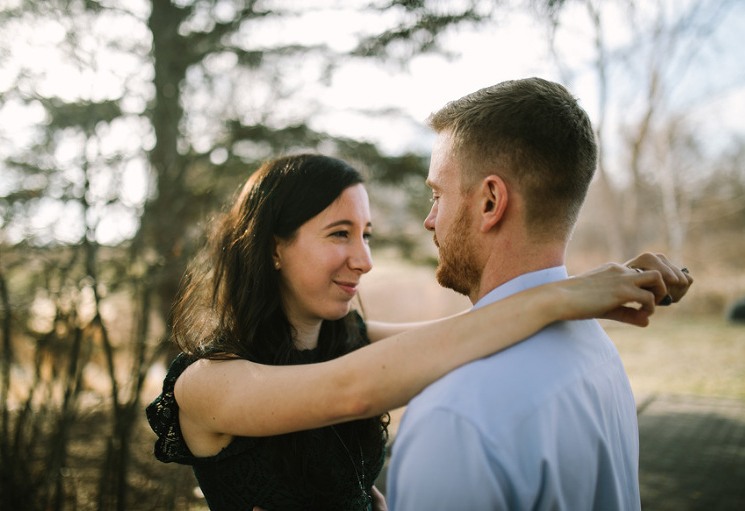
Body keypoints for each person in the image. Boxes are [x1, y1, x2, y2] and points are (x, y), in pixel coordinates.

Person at [146, 153, 682, 511]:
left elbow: (462, 334)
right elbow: (350, 391)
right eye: (340, 234)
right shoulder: (206, 385)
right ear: (272, 247)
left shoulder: (345, 338)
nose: (364, 260)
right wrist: (561, 296)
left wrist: (595, 285)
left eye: (367, 235)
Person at [386, 78, 694, 510]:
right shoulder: (595, 348)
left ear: (490, 202)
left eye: (437, 194)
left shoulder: (456, 416)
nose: (429, 220)